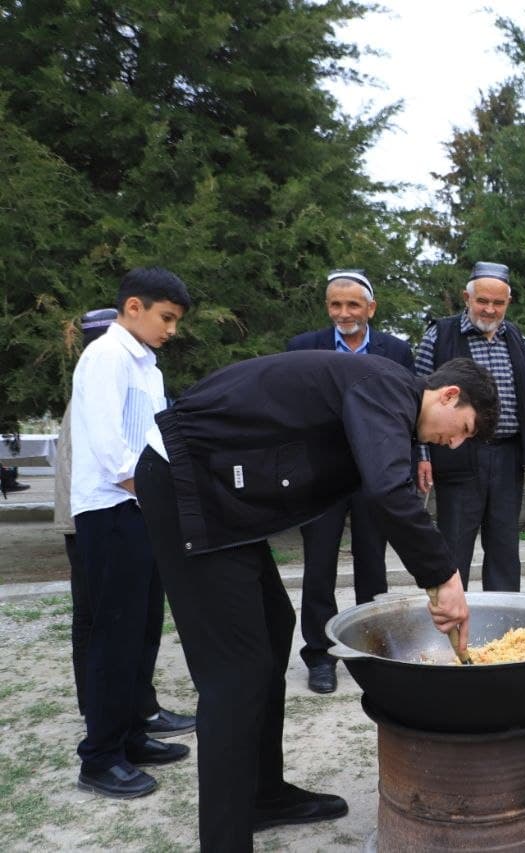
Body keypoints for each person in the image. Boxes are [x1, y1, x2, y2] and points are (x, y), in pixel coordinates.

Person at [134, 352, 497, 851]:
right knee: (235, 672)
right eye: (463, 430)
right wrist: (445, 577)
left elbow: (379, 488)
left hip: (223, 495)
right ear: (450, 396)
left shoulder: (386, 399)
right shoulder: (383, 389)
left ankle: (263, 795)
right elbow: (388, 492)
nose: (453, 444)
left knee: (274, 627)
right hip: (187, 480)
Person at [70, 268, 193, 800]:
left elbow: (154, 438)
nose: (171, 329)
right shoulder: (106, 357)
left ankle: (132, 734)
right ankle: (100, 757)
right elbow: (109, 446)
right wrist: (151, 491)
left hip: (142, 509)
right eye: (166, 317)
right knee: (114, 634)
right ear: (134, 306)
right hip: (111, 510)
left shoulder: (147, 364)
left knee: (143, 629)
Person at [286, 269, 414, 694]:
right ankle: (320, 654)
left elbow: (406, 413)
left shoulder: (396, 351)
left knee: (372, 562)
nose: (344, 313)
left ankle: (371, 646)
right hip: (321, 475)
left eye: (353, 305)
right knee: (319, 565)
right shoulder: (303, 348)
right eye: (336, 305)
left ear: (370, 308)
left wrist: (407, 465)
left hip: (373, 472)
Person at [413, 261, 525, 591]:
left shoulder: (517, 338)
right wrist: (422, 454)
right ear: (466, 298)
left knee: (504, 548)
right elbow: (419, 398)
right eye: (482, 300)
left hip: (508, 456)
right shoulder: (439, 335)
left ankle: (504, 620)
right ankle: (452, 615)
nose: (489, 309)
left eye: (498, 303)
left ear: (508, 302)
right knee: (455, 546)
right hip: (457, 454)